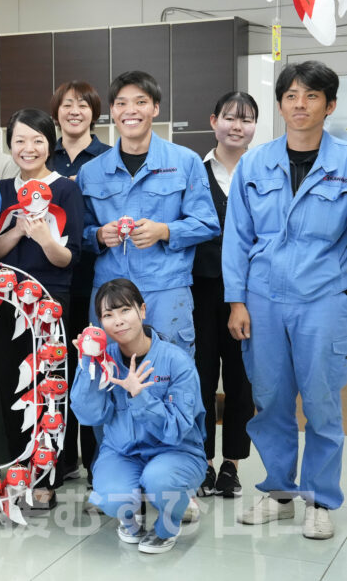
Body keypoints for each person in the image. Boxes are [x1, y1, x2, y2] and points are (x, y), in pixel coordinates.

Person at [224, 61, 347, 540]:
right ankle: (278, 493)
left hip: (323, 298)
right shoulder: (256, 162)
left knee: (320, 401)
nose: (300, 104)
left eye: (311, 96)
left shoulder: (343, 165)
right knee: (270, 398)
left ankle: (319, 499)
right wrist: (237, 301)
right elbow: (237, 236)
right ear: (280, 105)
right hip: (263, 299)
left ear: (329, 105)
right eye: (291, 96)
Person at [0, 108, 84, 509]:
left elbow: (68, 258)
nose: (29, 148)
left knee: (48, 388)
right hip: (4, 300)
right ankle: (14, 467)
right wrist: (18, 230)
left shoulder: (66, 190)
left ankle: (46, 473)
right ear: (10, 145)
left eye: (38, 140)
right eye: (20, 140)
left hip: (51, 299)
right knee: (10, 383)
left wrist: (43, 237)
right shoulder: (2, 189)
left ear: (50, 145)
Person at [77, 71, 219, 357]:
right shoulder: (91, 172)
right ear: (112, 112)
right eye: (121, 103)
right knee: (108, 376)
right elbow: (77, 232)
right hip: (109, 293)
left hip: (167, 291)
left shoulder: (185, 161)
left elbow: (207, 224)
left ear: (155, 108)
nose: (131, 110)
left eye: (140, 102)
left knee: (170, 377)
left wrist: (164, 231)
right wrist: (98, 236)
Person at [70, 278, 206, 554]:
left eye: (125, 310)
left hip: (176, 451)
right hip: (123, 452)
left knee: (161, 480)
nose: (118, 321)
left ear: (142, 310)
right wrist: (87, 368)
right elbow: (89, 416)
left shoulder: (175, 360)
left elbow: (178, 429)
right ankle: (130, 521)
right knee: (109, 495)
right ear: (100, 324)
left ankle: (168, 526)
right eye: (108, 315)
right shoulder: (101, 360)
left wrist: (139, 396)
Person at [193, 92, 258, 498]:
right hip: (198, 289)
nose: (237, 126)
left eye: (247, 119)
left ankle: (232, 464)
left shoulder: (263, 171)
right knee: (198, 377)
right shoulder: (192, 171)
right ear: (213, 120)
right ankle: (202, 462)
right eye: (230, 118)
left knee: (241, 379)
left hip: (250, 294)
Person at [48, 80, 111, 483]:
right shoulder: (41, 153)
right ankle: (59, 455)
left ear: (94, 112)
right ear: (55, 112)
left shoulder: (107, 157)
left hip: (91, 276)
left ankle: (96, 459)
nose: (74, 111)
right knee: (55, 365)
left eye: (82, 105)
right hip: (49, 280)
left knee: (91, 365)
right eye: (67, 104)